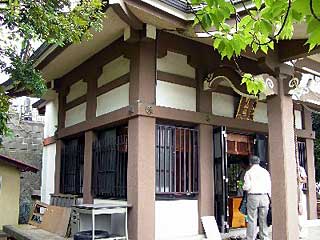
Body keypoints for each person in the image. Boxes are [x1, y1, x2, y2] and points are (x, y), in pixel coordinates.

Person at [243, 156, 271, 240]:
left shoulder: (249, 172)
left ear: (250, 163)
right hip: (264, 196)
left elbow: (247, 187)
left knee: (252, 219)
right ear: (258, 162)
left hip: (253, 197)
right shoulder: (265, 172)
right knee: (264, 219)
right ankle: (264, 237)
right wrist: (270, 197)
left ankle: (251, 238)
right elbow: (269, 185)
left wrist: (243, 187)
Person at [298, 165, 308, 239]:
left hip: (299, 192)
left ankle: (302, 231)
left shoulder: (300, 169)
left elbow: (304, 180)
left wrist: (299, 180)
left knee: (301, 212)